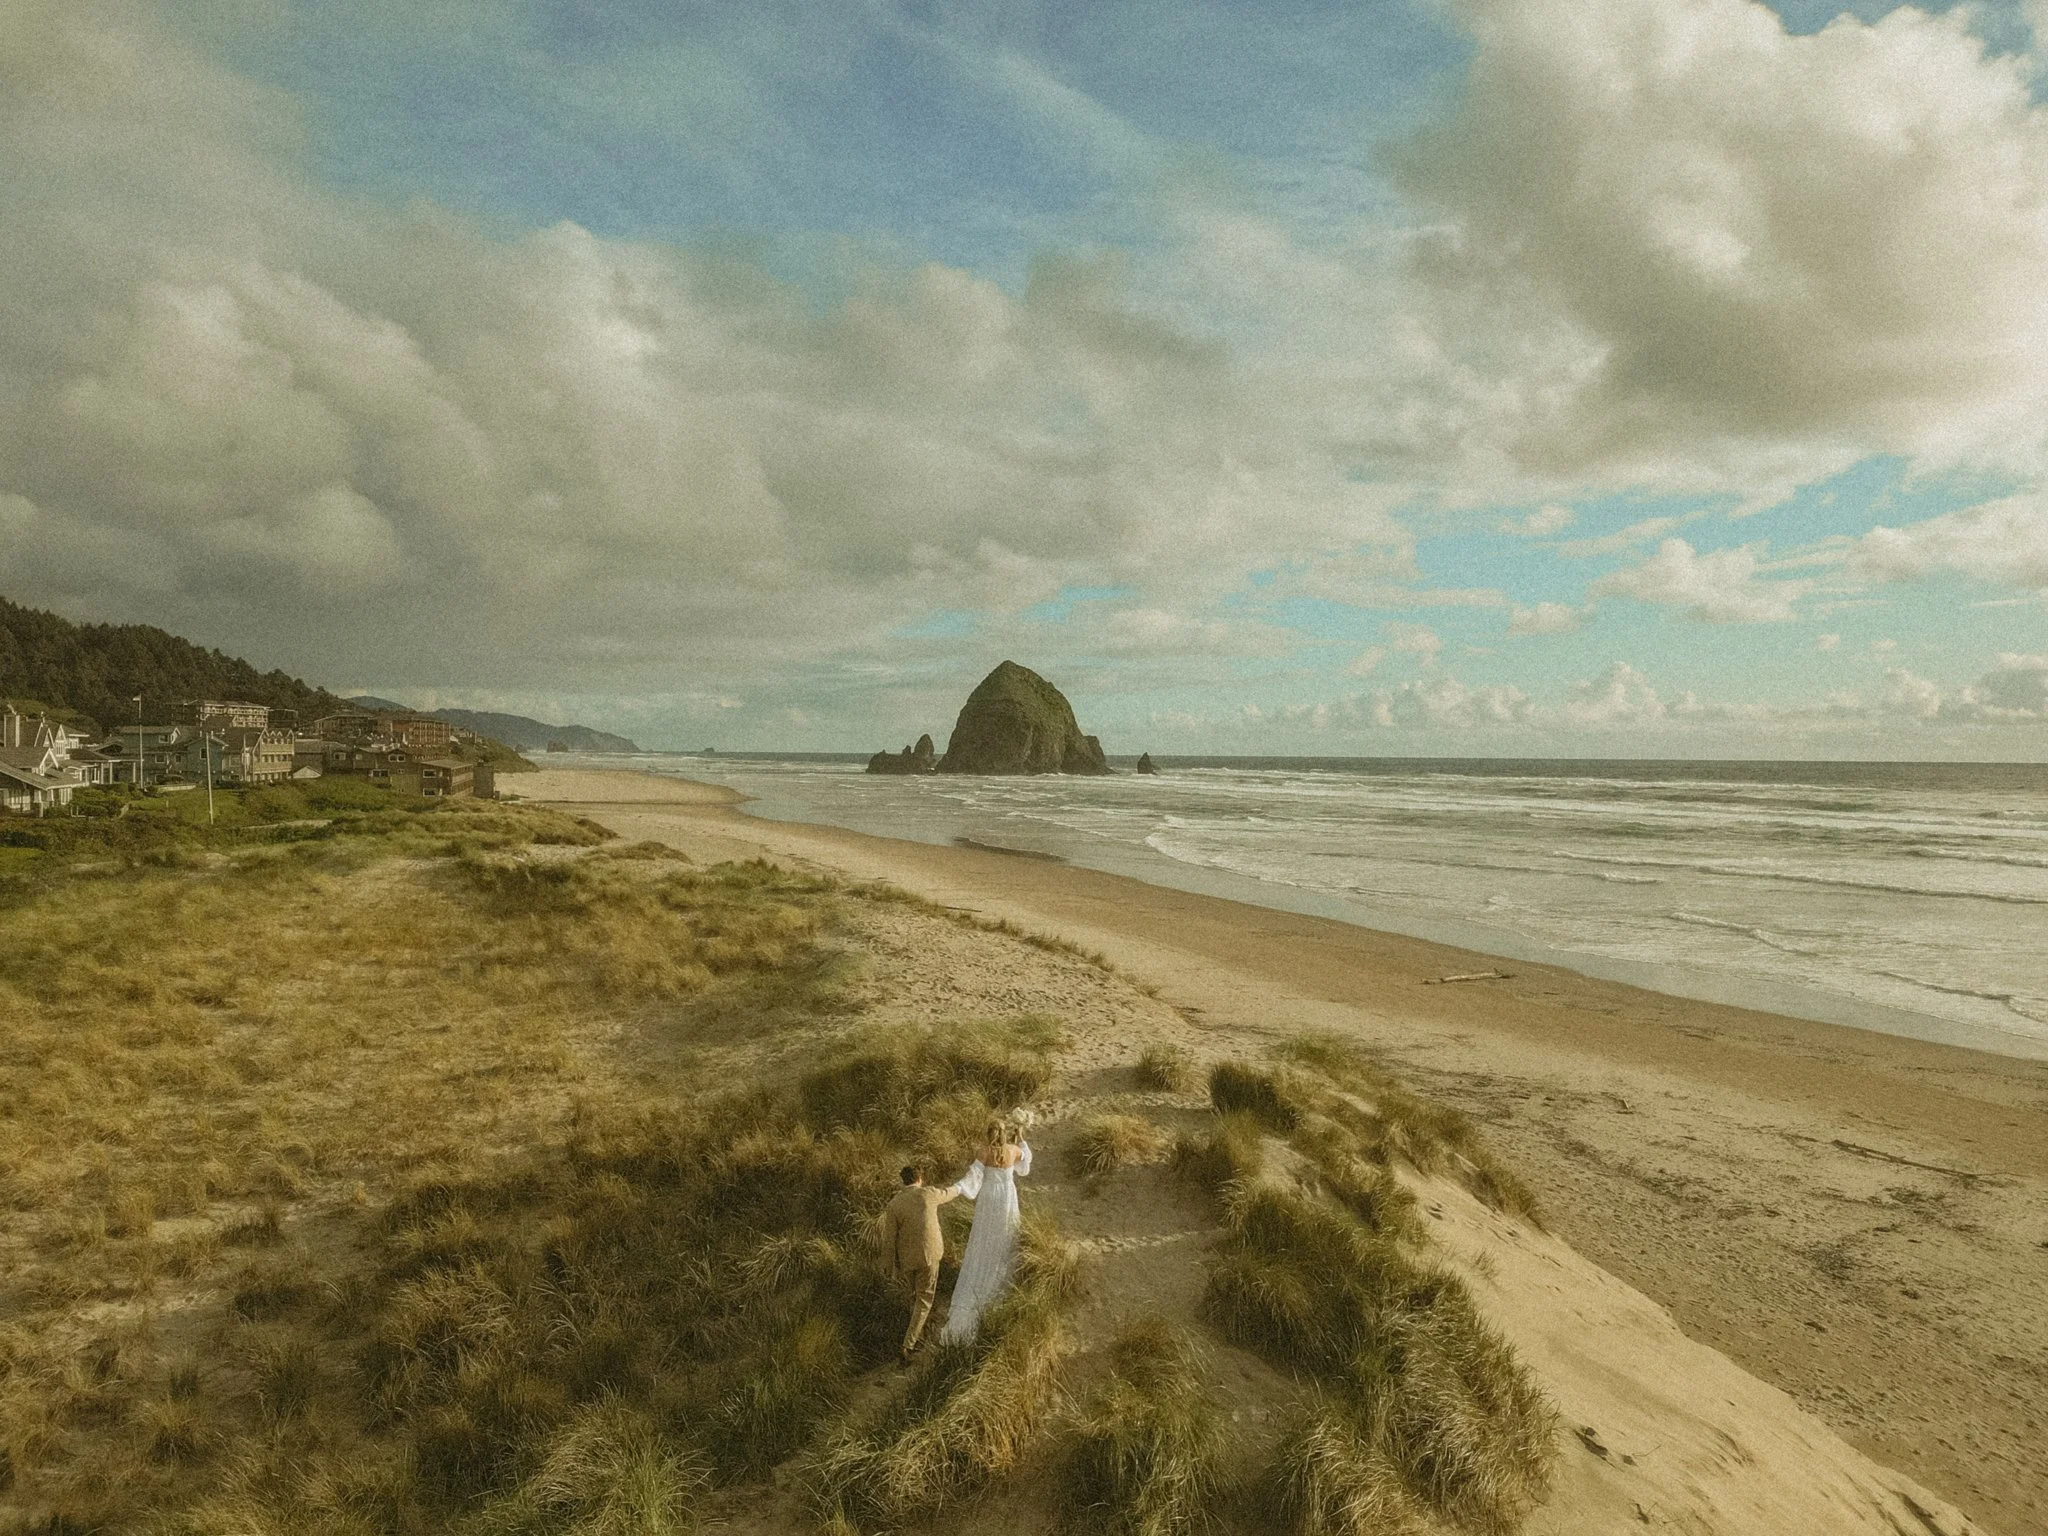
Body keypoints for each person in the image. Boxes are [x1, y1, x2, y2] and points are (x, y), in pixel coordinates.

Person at [938, 1117, 1033, 1347]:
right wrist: (1020, 1137)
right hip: (1006, 1198)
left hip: (989, 1198)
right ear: (1004, 1133)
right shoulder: (1011, 1150)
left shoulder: (983, 1152)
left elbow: (974, 1178)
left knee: (983, 1238)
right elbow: (1026, 1161)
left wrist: (959, 1188)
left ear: (988, 1134)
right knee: (1005, 1236)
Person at [879, 1163, 958, 1365]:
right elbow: (950, 1193)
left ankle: (917, 1330)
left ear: (903, 1181)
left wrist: (887, 1264)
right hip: (930, 1255)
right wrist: (966, 1184)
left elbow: (889, 1239)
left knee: (915, 1297)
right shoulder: (928, 1194)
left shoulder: (894, 1204)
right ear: (920, 1179)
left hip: (907, 1259)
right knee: (924, 1300)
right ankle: (908, 1345)